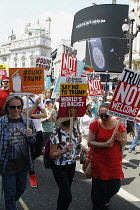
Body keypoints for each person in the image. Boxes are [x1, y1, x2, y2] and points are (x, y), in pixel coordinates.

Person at [88, 102, 127, 210]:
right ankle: (98, 204)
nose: (104, 118)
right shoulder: (96, 125)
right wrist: (104, 144)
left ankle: (104, 199)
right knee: (99, 189)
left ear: (111, 114)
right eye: (101, 115)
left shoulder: (118, 124)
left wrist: (120, 140)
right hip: (99, 162)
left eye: (106, 115)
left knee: (115, 187)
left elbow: (125, 142)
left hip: (114, 161)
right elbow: (89, 142)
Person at [0, 95, 36, 210]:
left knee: (21, 189)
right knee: (10, 193)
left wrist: (31, 136)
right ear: (7, 108)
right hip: (7, 163)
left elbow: (33, 140)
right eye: (12, 107)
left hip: (23, 163)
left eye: (19, 107)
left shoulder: (27, 121)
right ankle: (10, 205)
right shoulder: (1, 122)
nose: (16, 110)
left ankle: (12, 203)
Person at [49, 117, 86, 210]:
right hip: (59, 167)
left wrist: (81, 146)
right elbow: (51, 155)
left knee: (63, 193)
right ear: (68, 119)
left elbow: (76, 144)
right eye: (74, 118)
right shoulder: (56, 133)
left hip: (71, 164)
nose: (76, 119)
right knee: (67, 196)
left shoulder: (74, 130)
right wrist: (64, 150)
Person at [22, 94, 46, 187]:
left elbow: (44, 114)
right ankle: (32, 175)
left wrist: (32, 114)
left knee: (39, 151)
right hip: (29, 130)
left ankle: (25, 163)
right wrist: (36, 104)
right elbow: (25, 115)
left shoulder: (39, 98)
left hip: (39, 130)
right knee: (30, 152)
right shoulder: (24, 99)